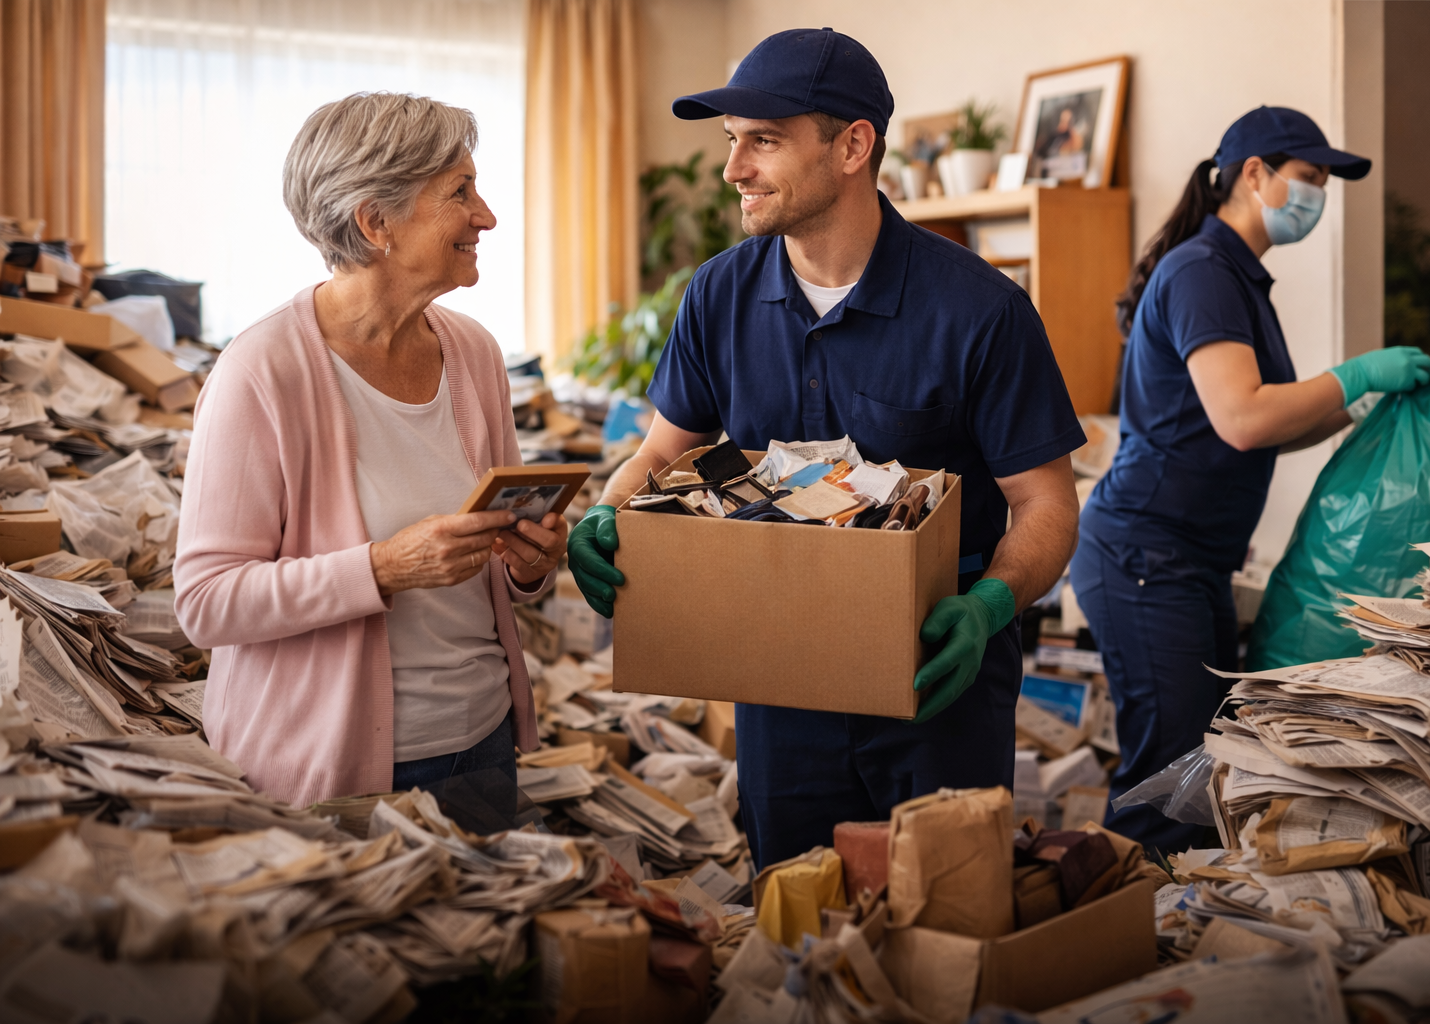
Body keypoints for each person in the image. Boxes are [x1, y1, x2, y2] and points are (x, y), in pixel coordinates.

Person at [567, 28, 1086, 868]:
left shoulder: (981, 311)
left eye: (763, 141)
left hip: (936, 681)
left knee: (943, 917)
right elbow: (659, 453)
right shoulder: (718, 294)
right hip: (778, 677)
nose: (734, 169)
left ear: (852, 147)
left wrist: (989, 607)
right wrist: (608, 509)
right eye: (732, 140)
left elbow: (1048, 504)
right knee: (793, 912)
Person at [175, 93, 568, 810]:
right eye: (460, 192)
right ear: (374, 222)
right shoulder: (260, 372)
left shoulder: (474, 352)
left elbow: (494, 556)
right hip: (329, 767)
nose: (486, 216)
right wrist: (383, 568)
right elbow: (207, 603)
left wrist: (528, 564)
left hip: (481, 741)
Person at [1072, 106, 1430, 854]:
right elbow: (1242, 417)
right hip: (1144, 554)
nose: (1318, 195)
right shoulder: (1203, 271)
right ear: (1254, 174)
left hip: (1189, 559)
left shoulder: (1235, 275)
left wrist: (1355, 407)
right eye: (1309, 176)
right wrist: (1356, 373)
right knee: (1167, 779)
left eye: (1325, 182)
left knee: (1207, 765)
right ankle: (1117, 917)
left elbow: (1269, 424)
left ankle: (1178, 911)